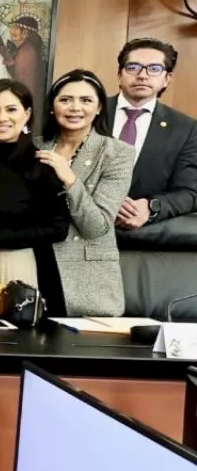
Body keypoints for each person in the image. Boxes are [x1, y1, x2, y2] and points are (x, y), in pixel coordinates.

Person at [34, 69, 134, 317]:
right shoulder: (35, 147)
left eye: (86, 100)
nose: (74, 108)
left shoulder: (117, 153)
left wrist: (68, 177)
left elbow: (96, 226)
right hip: (34, 262)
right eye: (65, 99)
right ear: (52, 106)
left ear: (99, 107)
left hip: (85, 275)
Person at [0, 79, 69, 290]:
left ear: (27, 114)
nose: (2, 118)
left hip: (14, 269)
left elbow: (58, 229)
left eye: (11, 109)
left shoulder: (41, 165)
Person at [106, 38, 197, 228]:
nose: (142, 75)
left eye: (154, 69)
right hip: (79, 232)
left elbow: (189, 192)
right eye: (133, 67)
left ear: (167, 79)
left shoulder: (186, 129)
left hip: (144, 239)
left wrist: (151, 207)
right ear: (119, 75)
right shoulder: (90, 113)